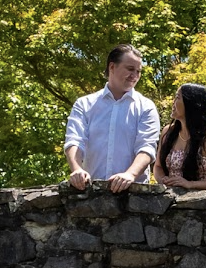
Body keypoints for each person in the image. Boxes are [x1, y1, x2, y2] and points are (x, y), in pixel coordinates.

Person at [65, 44, 162, 193]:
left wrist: (130, 174)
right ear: (112, 67)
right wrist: (77, 170)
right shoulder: (84, 104)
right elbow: (75, 141)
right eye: (130, 69)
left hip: (134, 195)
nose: (135, 75)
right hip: (91, 192)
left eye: (138, 71)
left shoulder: (146, 107)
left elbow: (147, 147)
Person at [154, 83, 206, 190]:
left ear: (191, 104)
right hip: (168, 201)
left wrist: (190, 184)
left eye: (177, 98)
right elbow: (158, 167)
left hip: (201, 203)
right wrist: (164, 181)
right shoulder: (168, 132)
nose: (173, 102)